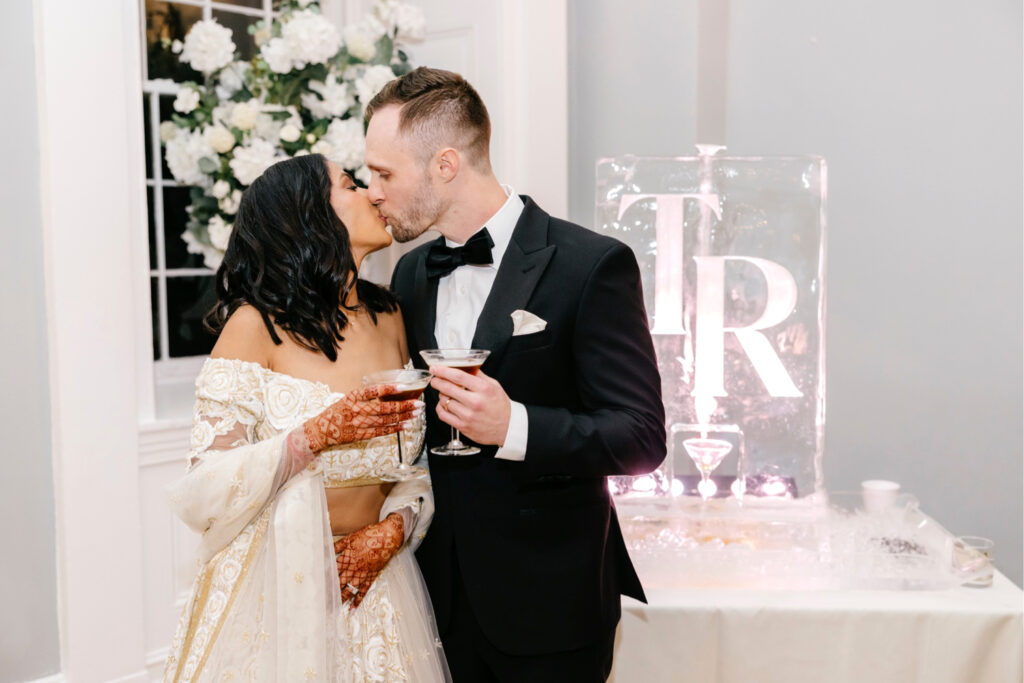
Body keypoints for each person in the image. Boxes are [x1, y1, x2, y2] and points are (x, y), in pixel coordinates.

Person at [364, 67, 666, 682]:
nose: (373, 191)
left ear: (445, 165)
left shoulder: (590, 265)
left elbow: (641, 438)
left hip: (548, 603)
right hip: (431, 601)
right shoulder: (412, 274)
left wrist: (515, 426)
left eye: (385, 173)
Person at [162, 154, 452, 682]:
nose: (373, 194)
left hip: (375, 592)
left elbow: (416, 462)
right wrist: (315, 435)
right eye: (351, 185)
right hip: (273, 597)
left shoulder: (390, 317)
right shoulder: (254, 327)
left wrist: (395, 528)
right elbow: (203, 491)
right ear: (310, 216)